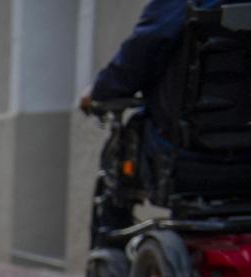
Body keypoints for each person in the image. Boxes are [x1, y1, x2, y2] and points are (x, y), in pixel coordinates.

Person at [79, 0, 248, 231]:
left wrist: (99, 91)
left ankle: (111, 251)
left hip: (187, 153)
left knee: (116, 159)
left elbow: (135, 61)